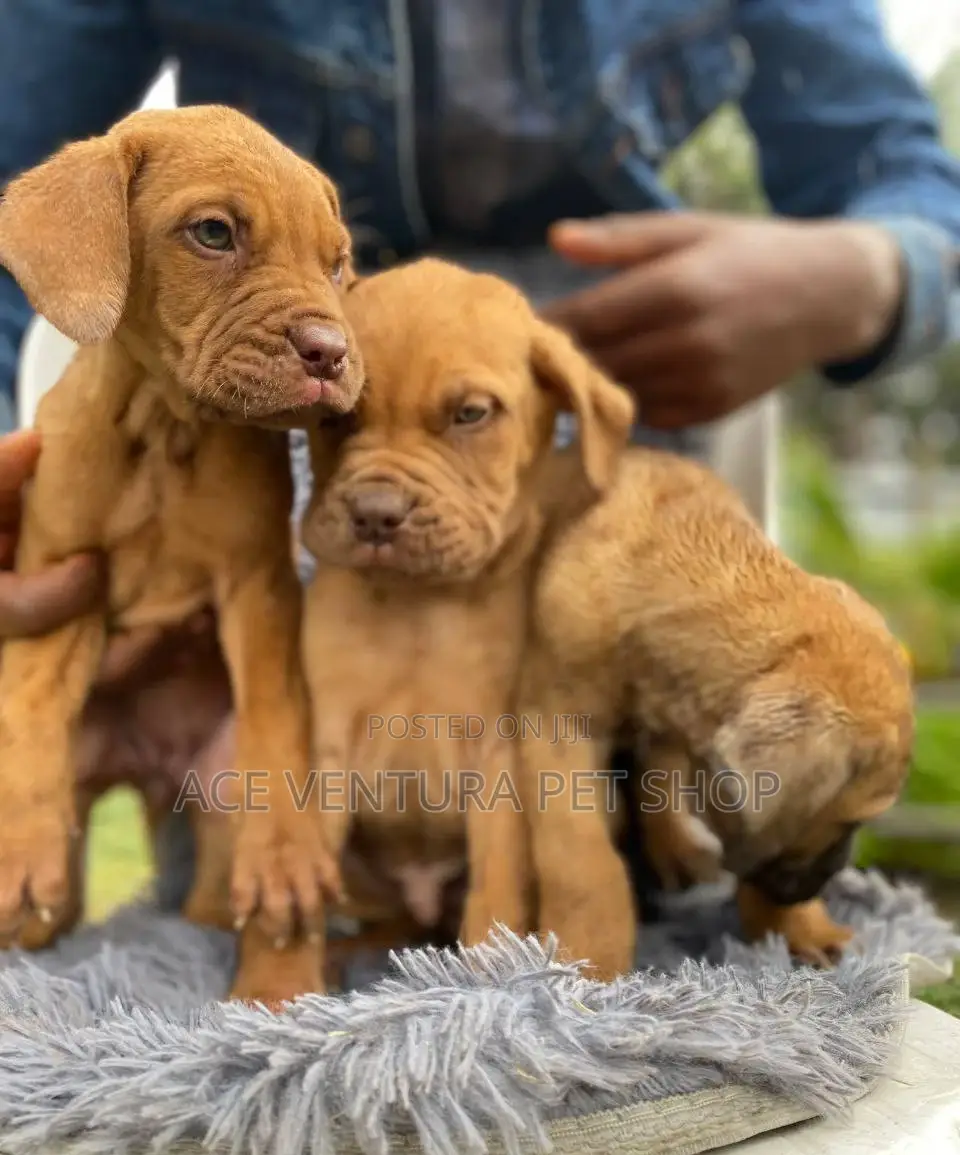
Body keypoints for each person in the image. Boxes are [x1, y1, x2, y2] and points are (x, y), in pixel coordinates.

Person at [0, 0, 958, 830]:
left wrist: (867, 273)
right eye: (218, 229)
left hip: (619, 432)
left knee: (630, 872)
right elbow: (25, 192)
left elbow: (901, 169)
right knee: (257, 874)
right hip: (277, 470)